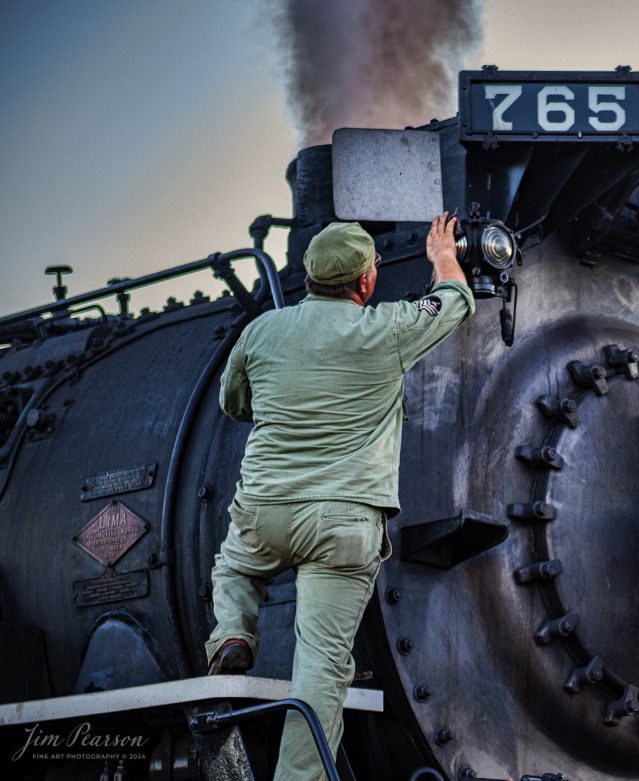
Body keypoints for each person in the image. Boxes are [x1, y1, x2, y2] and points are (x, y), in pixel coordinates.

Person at [204, 214, 473, 781]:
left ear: (308, 277)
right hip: (344, 524)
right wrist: (443, 257)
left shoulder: (261, 332)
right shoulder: (387, 329)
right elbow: (454, 301)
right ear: (365, 282)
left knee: (232, 568)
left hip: (267, 511)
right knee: (322, 667)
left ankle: (232, 633)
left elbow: (234, 404)